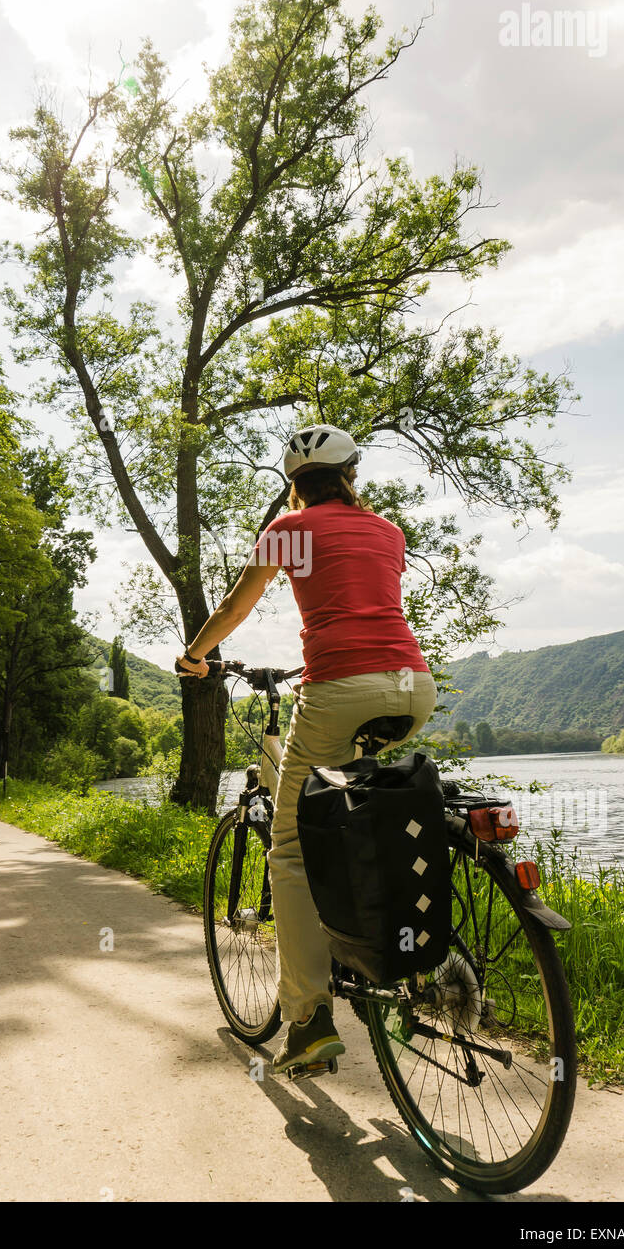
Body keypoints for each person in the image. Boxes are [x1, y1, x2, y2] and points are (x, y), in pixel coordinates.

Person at [176, 425, 436, 1073]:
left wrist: (194, 656)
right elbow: (364, 600)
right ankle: (393, 951)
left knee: (290, 846)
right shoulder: (389, 532)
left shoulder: (288, 530)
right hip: (413, 686)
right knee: (361, 815)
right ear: (351, 476)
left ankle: (308, 1019)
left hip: (340, 686)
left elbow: (236, 607)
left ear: (295, 485)